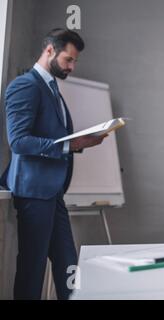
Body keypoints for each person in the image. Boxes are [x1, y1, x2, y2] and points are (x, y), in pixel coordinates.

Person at [0, 28, 107, 299]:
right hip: (34, 192)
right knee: (32, 269)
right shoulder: (26, 85)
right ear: (50, 50)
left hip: (52, 191)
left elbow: (53, 136)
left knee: (68, 264)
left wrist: (80, 142)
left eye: (74, 61)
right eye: (68, 60)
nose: (71, 66)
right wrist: (70, 145)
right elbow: (19, 141)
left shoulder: (51, 88)